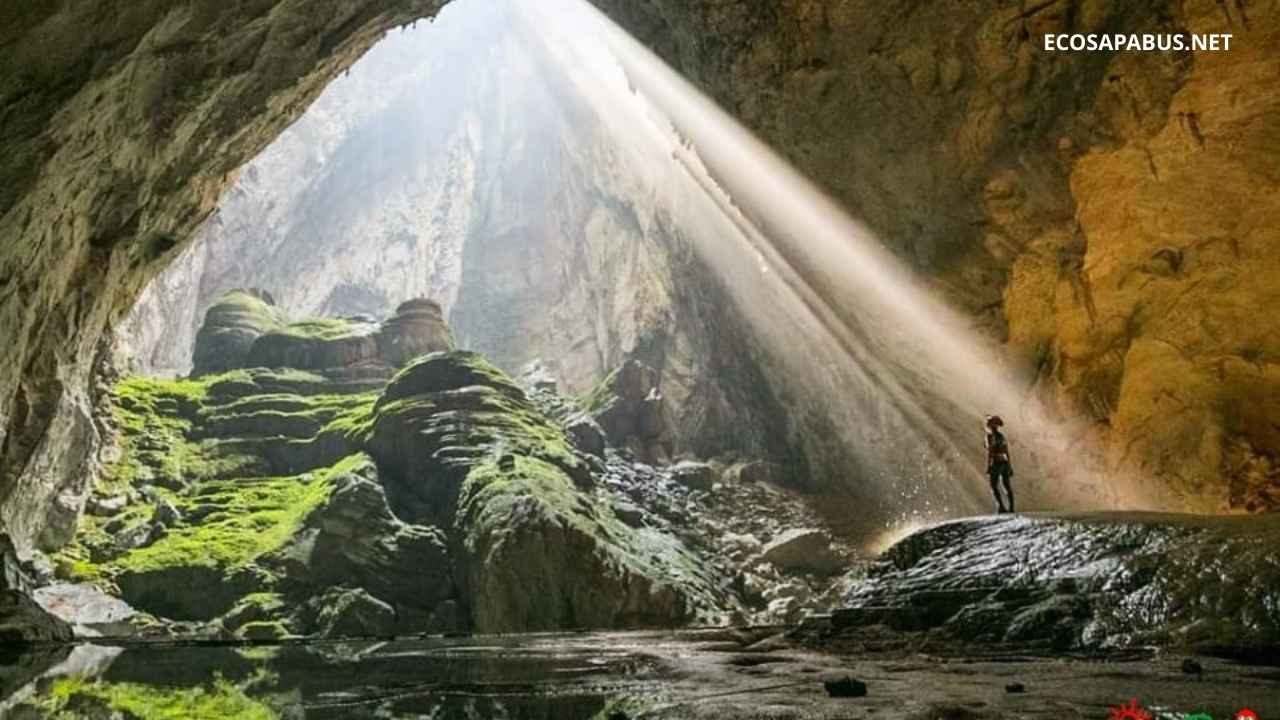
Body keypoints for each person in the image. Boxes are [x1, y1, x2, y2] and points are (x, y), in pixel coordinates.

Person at [985, 415, 1014, 513]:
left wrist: (989, 465)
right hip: (1004, 462)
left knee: (993, 485)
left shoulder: (989, 437)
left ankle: (1001, 507)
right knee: (1006, 485)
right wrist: (1009, 466)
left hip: (996, 463)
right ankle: (1011, 507)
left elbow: (991, 451)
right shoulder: (1002, 437)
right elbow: (1006, 452)